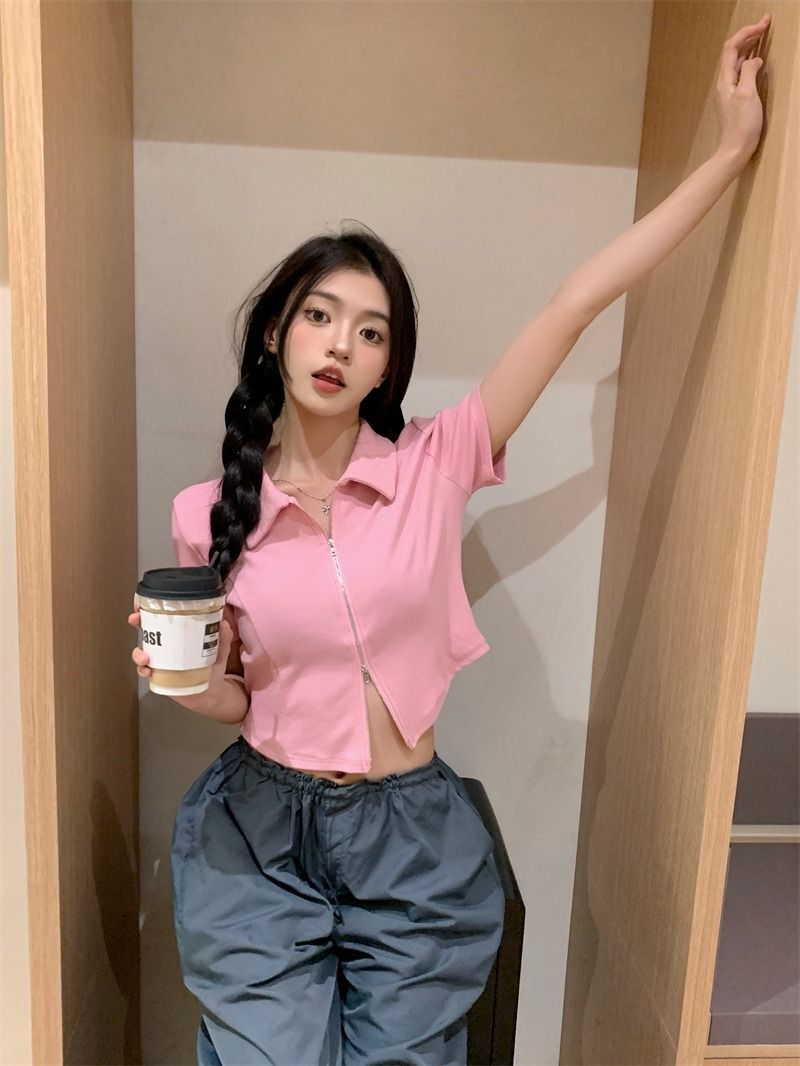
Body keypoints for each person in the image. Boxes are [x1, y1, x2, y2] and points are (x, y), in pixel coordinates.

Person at [129, 18, 769, 1059]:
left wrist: (730, 150)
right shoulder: (208, 510)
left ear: (388, 365)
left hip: (408, 835)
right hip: (258, 831)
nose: (340, 344)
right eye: (319, 316)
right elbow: (238, 695)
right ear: (275, 331)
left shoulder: (438, 459)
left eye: (370, 330)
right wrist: (192, 691)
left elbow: (573, 304)